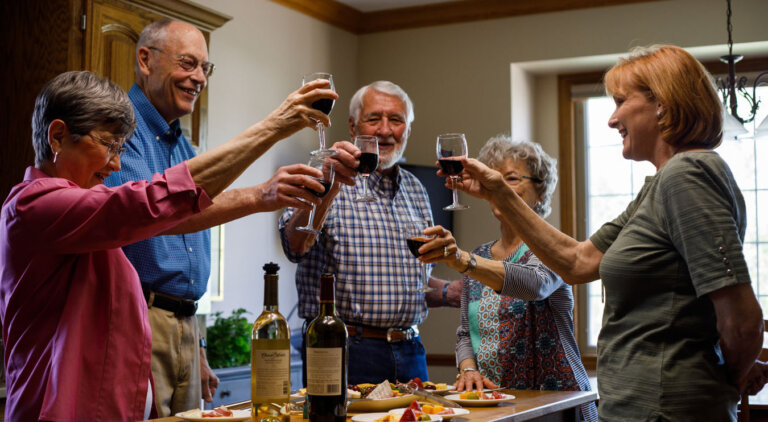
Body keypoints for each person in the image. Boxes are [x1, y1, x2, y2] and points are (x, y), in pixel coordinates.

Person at [443, 45, 764, 421]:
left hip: (666, 408)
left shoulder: (687, 175)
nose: (612, 120)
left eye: (620, 102)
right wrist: (500, 190)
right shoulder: (657, 187)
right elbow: (576, 262)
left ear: (662, 103)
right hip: (635, 406)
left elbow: (741, 319)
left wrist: (722, 378)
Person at [0, 70, 328, 421]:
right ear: (59, 135)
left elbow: (171, 215)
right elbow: (149, 202)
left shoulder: (87, 211)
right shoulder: (32, 206)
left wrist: (263, 195)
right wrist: (273, 127)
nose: (115, 164)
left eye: (120, 149)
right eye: (109, 145)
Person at [103, 20, 336, 416]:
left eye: (205, 68)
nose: (198, 78)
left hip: (186, 326)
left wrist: (198, 344)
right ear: (145, 59)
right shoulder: (118, 131)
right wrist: (263, 193)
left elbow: (190, 251)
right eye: (188, 63)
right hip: (137, 318)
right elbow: (154, 216)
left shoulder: (184, 144)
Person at [279, 80, 462, 385]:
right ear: (353, 126)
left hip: (410, 349)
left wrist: (446, 292)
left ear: (408, 129)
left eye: (396, 120)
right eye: (374, 118)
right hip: (344, 348)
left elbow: (406, 278)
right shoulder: (321, 175)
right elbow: (294, 246)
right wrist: (329, 185)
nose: (385, 130)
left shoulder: (417, 189)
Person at [419, 135, 596, 421]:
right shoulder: (479, 255)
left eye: (511, 179)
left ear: (541, 192)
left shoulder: (551, 249)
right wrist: (468, 369)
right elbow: (466, 332)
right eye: (494, 180)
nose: (499, 187)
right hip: (498, 406)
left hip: (557, 404)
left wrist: (464, 261)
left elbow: (535, 285)